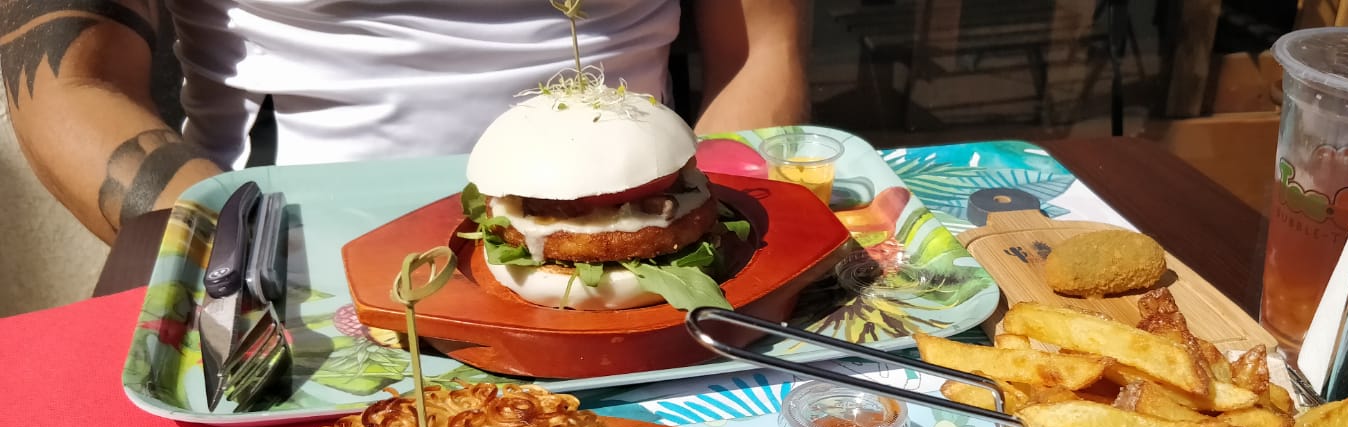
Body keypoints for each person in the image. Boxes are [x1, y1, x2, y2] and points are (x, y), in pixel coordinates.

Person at [0, 0, 810, 244]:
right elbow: (64, 80)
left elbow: (759, 54)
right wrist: (238, 259)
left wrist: (694, 236)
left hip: (635, 237)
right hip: (294, 257)